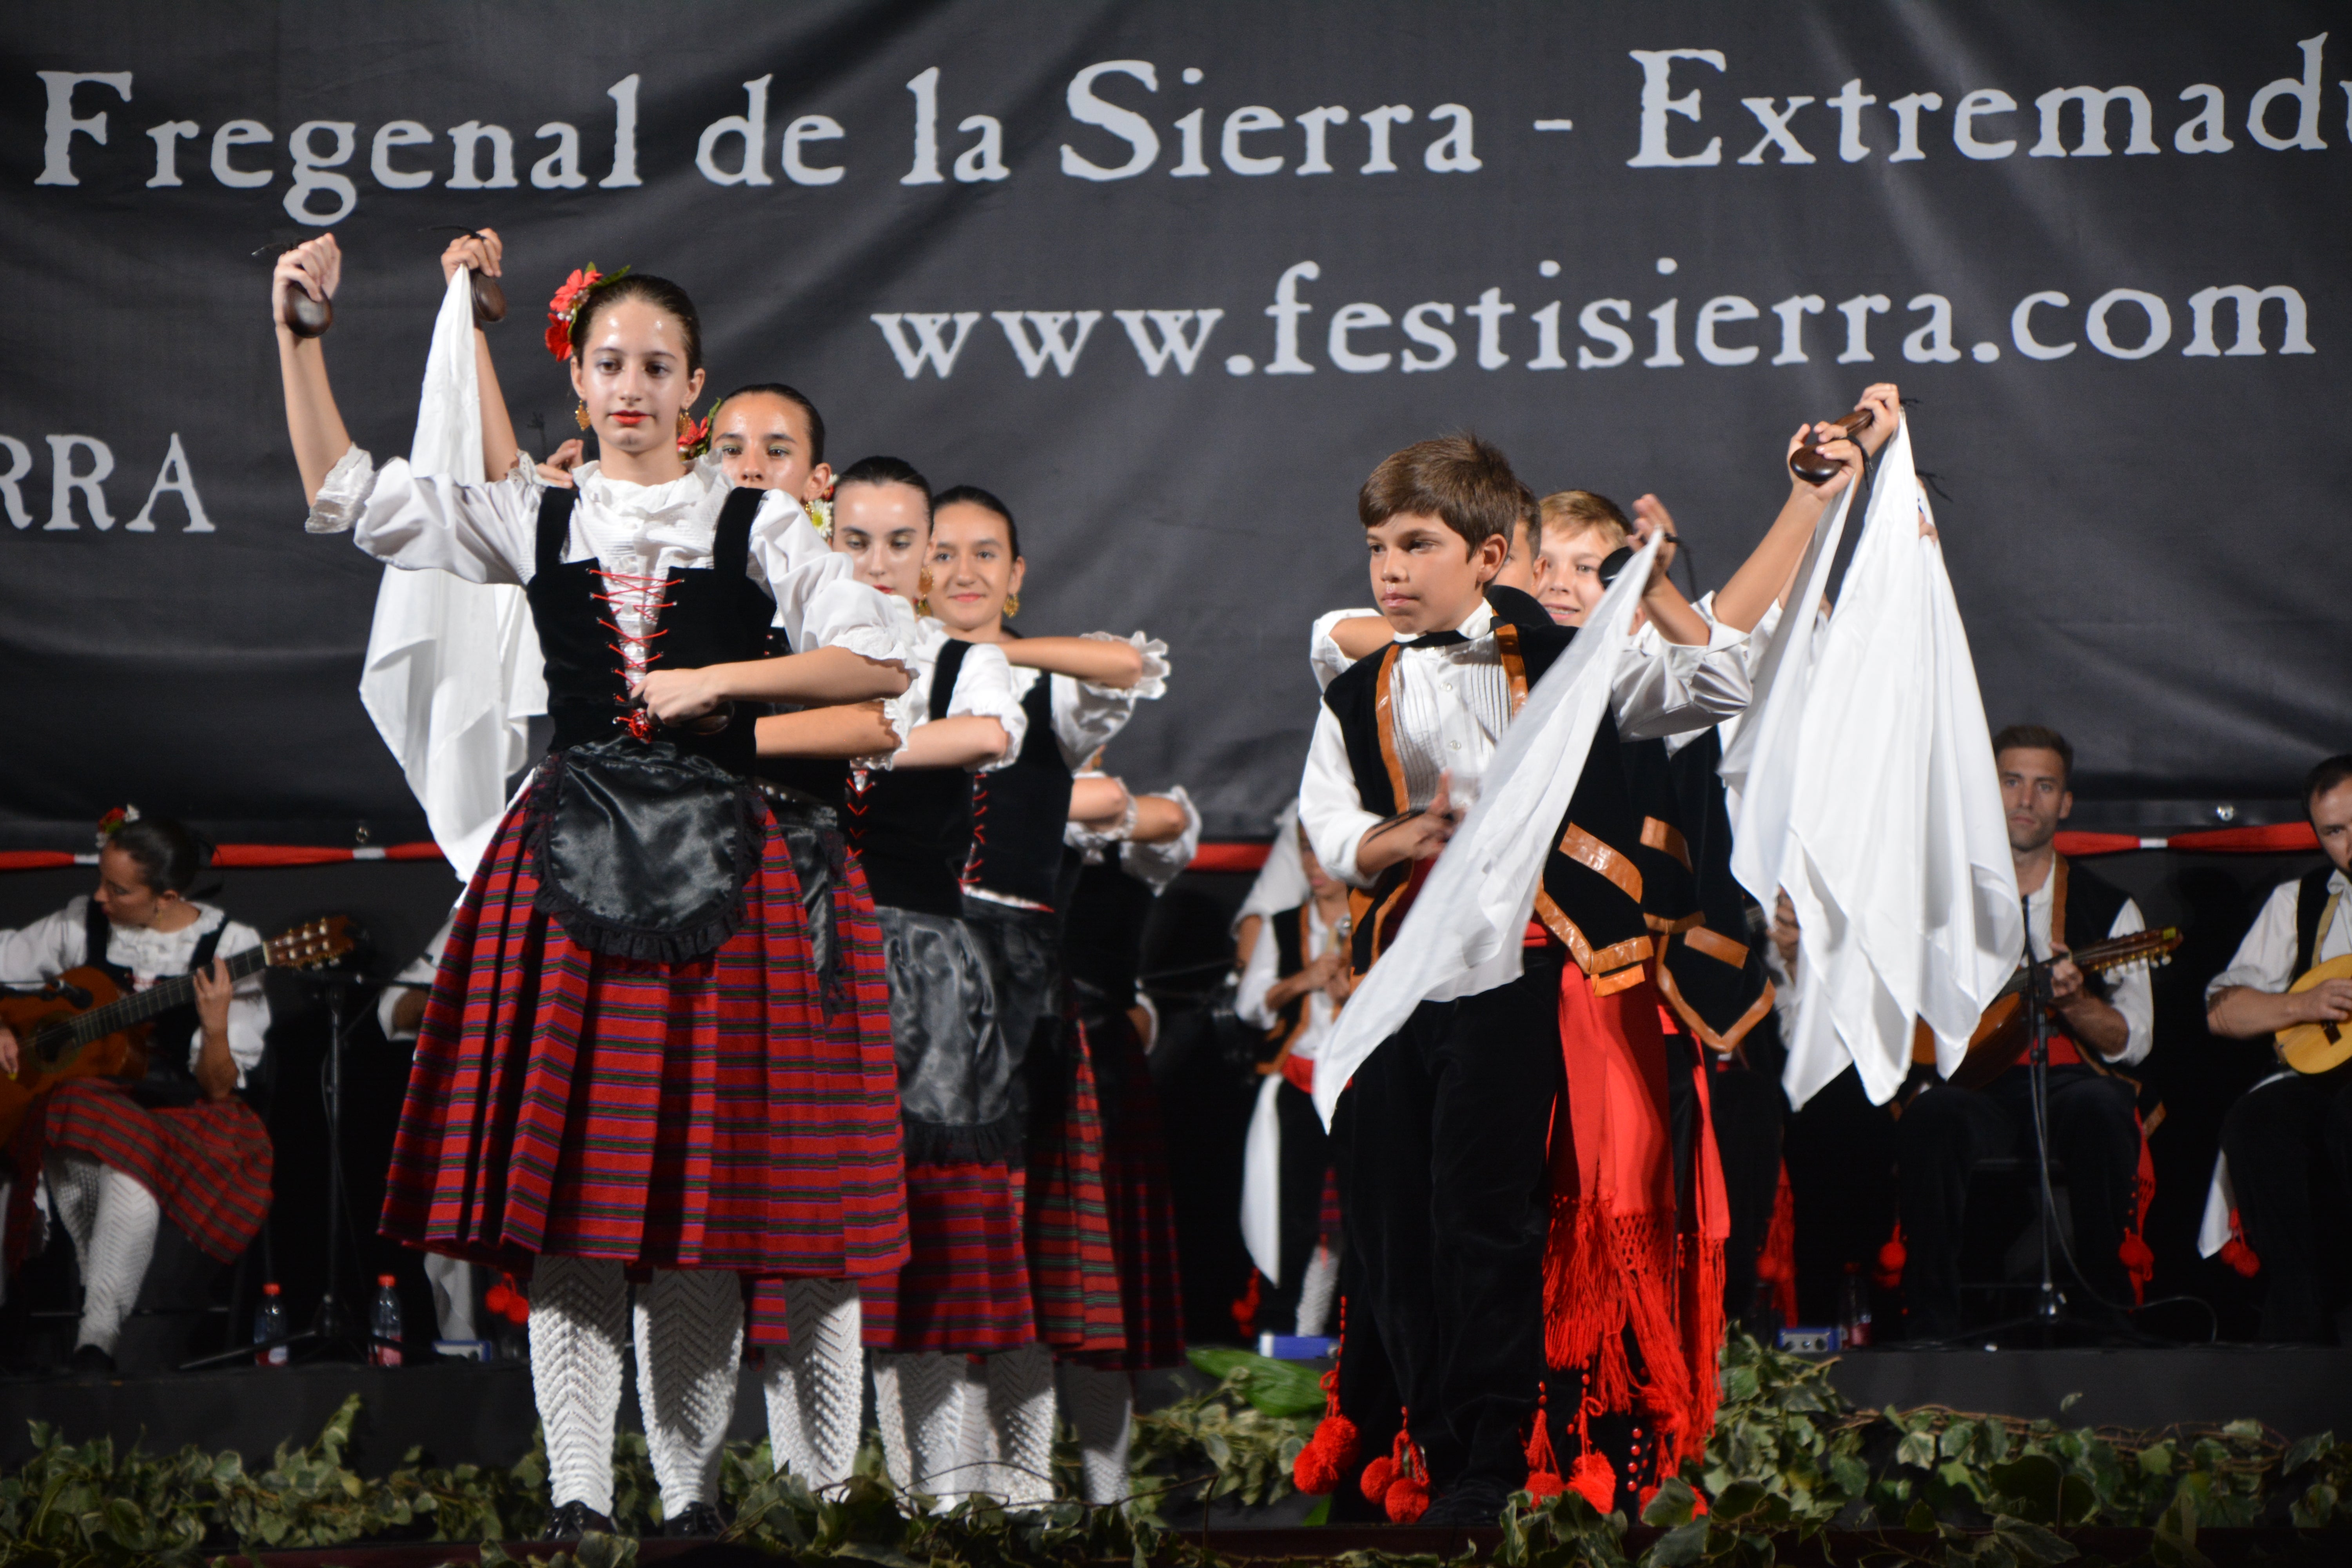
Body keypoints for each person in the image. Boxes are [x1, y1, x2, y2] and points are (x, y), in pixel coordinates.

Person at [276, 234, 914, 1537]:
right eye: (609, 363)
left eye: (657, 367)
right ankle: (577, 1495)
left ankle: (684, 1501)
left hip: (723, 881)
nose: (631, 386)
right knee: (578, 1204)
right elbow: (346, 494)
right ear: (579, 383)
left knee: (693, 1211)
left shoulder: (756, 520)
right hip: (569, 870)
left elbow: (879, 663)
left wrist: (723, 683)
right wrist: (301, 338)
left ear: (697, 390)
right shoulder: (539, 511)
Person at [1296, 433, 1789, 1526]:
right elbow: (1332, 828)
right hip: (1398, 985)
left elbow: (1718, 679)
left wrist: (1654, 595)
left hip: (1519, 977)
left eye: (1416, 545)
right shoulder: (1359, 687)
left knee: (1485, 1216)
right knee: (1389, 1223)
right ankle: (1415, 1442)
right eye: (1377, 546)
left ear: (1490, 554)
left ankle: (1489, 1450)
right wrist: (1400, 838)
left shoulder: (1577, 660)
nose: (1389, 568)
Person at [817, 457, 1048, 1506]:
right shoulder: (788, 655)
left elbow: (991, 736)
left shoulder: (963, 667)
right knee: (802, 1248)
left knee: (938, 1254)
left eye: (901, 542)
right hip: (802, 961)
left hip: (924, 977)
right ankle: (812, 1495)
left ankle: (951, 1504)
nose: (877, 562)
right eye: (854, 540)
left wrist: (847, 736)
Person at [1892, 726, 2154, 1339]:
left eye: (2044, 786)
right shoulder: (1937, 902)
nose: (2025, 801)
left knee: (2102, 1103)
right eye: (2011, 782)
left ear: (2065, 803)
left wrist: (2078, 1000)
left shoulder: (2110, 910)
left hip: (2066, 1083)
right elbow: (1903, 1013)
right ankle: (1931, 1323)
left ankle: (2105, 1313)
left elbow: (2132, 1039)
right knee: (1934, 1116)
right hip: (1975, 1085)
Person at [0, 813, 272, 1374]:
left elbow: (221, 1088)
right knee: (78, 1108)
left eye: (117, 890)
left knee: (128, 1156)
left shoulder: (231, 945)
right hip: (90, 1113)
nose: (99, 896)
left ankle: (97, 1332)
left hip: (183, 1116)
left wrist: (216, 1024)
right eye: (101, 880)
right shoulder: (81, 923)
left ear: (165, 898)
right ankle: (97, 1343)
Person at [1053, 766, 1202, 1504]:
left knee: (1101, 1287)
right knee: (1005, 1291)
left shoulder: (1119, 821)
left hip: (1100, 1064)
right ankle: (991, 1499)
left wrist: (1047, 790)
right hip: (1001, 1052)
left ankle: (1108, 1499)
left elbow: (1170, 822)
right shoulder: (978, 804)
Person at [2205, 753, 2352, 1344]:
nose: (2351, 845)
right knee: (2257, 1120)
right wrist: (2304, 1006)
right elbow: (2223, 1011)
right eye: (2336, 832)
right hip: (2323, 1072)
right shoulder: (2301, 899)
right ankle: (2298, 1323)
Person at [1233, 819, 1352, 1342]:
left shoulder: (1375, 923)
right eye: (1306, 851)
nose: (1313, 865)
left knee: (1360, 1222)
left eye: (1322, 852)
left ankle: (1349, 1345)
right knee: (1290, 1220)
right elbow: (1250, 1005)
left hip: (1356, 1090)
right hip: (1300, 1086)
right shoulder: (1287, 924)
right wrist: (1303, 981)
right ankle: (1282, 1344)